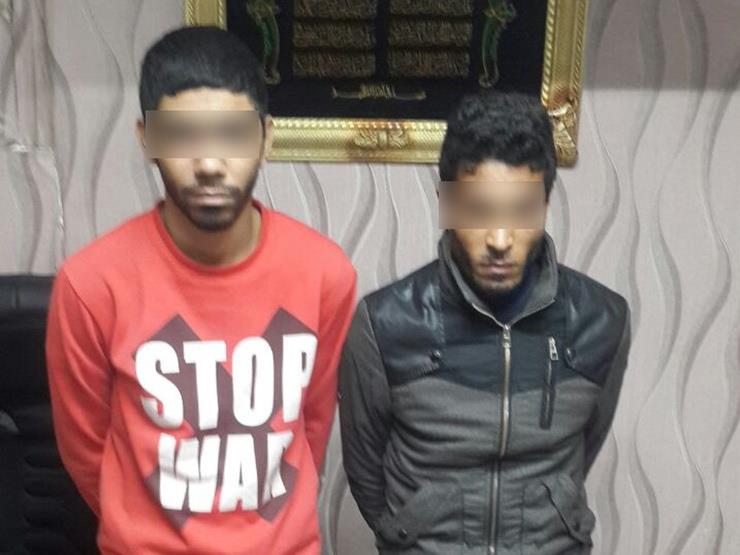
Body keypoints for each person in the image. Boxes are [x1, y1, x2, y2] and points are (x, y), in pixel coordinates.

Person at [46, 26, 356, 555]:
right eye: (183, 136)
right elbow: (86, 450)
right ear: (147, 139)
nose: (210, 164)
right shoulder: (90, 284)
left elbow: (314, 424)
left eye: (232, 135)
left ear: (266, 139)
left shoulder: (326, 274)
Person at [339, 92, 631, 555]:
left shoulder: (600, 320)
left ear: (545, 205)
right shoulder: (385, 324)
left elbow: (584, 447)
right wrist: (410, 530)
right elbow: (365, 471)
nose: (499, 239)